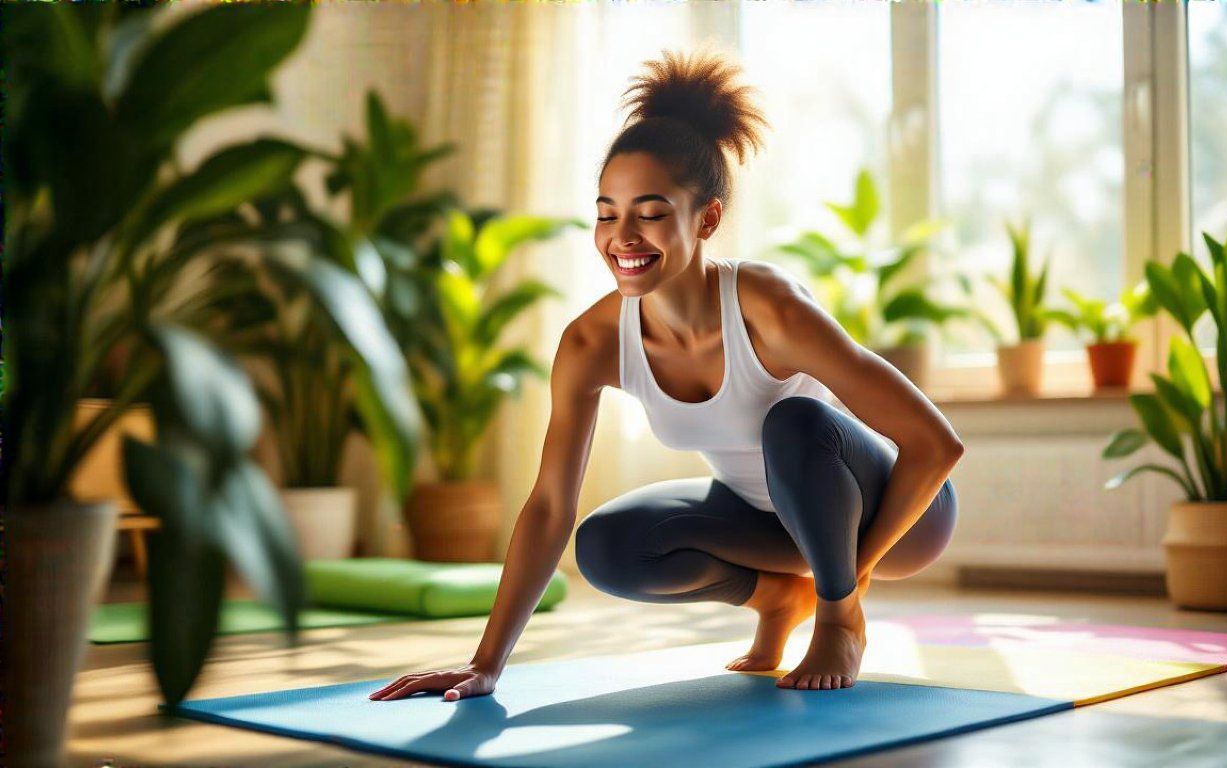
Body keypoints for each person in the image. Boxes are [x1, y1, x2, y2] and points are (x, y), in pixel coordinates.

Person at [370, 47, 962, 703]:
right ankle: (781, 597)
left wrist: (849, 581)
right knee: (608, 546)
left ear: (706, 218)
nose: (622, 236)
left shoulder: (771, 310)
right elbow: (548, 505)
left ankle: (836, 612)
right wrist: (487, 662)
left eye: (649, 212)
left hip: (897, 516)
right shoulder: (593, 341)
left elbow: (936, 445)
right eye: (606, 212)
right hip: (775, 530)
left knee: (792, 421)